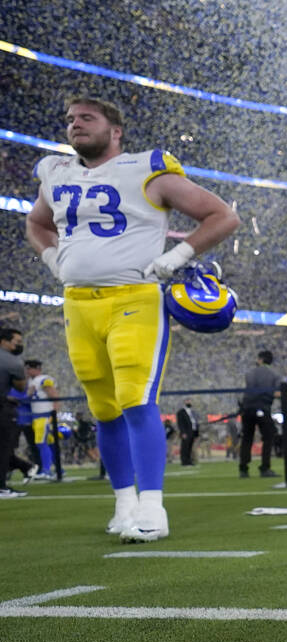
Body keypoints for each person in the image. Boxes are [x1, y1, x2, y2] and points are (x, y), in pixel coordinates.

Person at [26, 96, 240, 540]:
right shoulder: (55, 172)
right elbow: (38, 224)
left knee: (136, 401)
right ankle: (124, 505)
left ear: (116, 130)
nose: (75, 126)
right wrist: (53, 262)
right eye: (69, 120)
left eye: (87, 118)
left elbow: (222, 215)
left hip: (135, 300)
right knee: (103, 410)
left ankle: (152, 509)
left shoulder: (147, 168)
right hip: (78, 304)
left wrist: (177, 255)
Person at [239, 350, 281, 478]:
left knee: (247, 439)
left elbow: (244, 391)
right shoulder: (275, 374)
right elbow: (278, 393)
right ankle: (265, 468)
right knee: (268, 437)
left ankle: (243, 469)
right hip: (263, 408)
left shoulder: (249, 373)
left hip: (247, 408)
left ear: (260, 359)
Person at [0, 328, 31, 498]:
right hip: (2, 409)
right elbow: (21, 386)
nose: (19, 345)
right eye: (16, 342)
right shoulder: (13, 361)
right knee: (4, 449)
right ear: (4, 341)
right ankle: (1, 487)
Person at [176, 399, 199, 466]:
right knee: (185, 447)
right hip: (186, 432)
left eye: (190, 401)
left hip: (193, 431)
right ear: (184, 402)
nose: (189, 402)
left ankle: (189, 461)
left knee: (190, 447)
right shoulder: (181, 412)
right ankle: (184, 461)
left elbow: (195, 422)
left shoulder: (192, 411)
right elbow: (180, 423)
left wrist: (196, 434)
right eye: (187, 401)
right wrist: (183, 432)